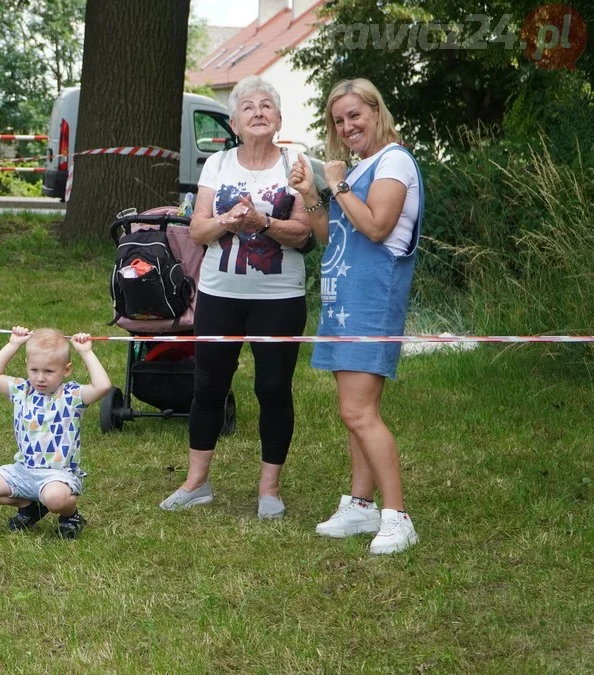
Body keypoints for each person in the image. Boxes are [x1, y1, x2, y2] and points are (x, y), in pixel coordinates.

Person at [159, 75, 313, 519]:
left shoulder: (295, 166)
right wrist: (230, 220)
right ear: (234, 122)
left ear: (279, 119)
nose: (259, 112)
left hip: (280, 296)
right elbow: (198, 230)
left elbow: (303, 233)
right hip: (220, 293)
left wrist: (263, 223)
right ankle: (196, 483)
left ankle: (269, 491)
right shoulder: (218, 165)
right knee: (208, 385)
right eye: (248, 107)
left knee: (273, 388)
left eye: (267, 105)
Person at [288, 78, 423, 555]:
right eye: (339, 120)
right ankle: (361, 506)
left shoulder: (395, 161)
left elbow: (376, 226)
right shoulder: (361, 167)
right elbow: (333, 236)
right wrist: (310, 193)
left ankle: (397, 516)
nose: (347, 127)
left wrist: (338, 182)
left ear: (376, 111)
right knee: (354, 412)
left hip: (373, 300)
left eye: (355, 116)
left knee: (358, 411)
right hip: (342, 300)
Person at [0, 327, 111, 539]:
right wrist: (13, 344)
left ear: (66, 370)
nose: (40, 378)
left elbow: (103, 386)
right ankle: (30, 506)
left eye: (49, 371)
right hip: (24, 470)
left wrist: (86, 351)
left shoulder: (71, 395)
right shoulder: (21, 390)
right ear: (27, 366)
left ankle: (70, 515)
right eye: (34, 370)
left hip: (58, 475)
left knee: (54, 498)